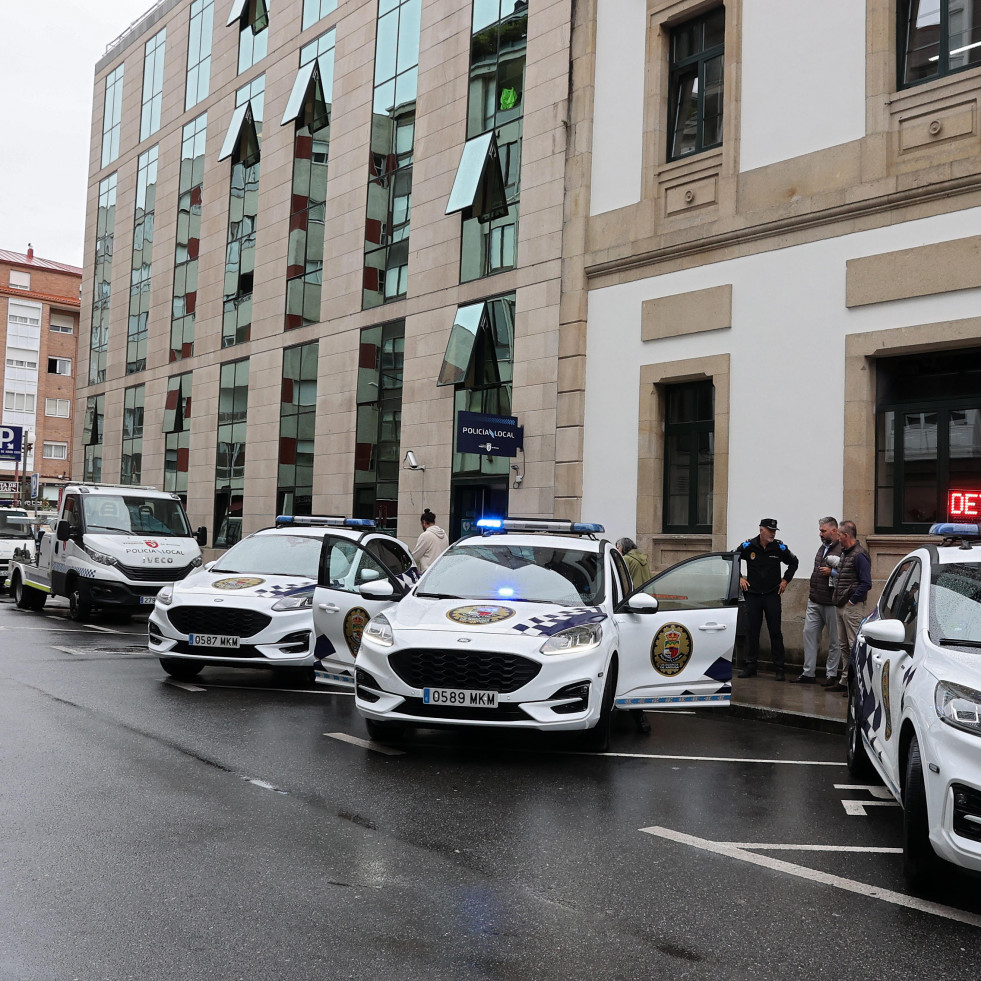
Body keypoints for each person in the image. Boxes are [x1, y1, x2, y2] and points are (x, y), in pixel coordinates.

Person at [735, 518, 799, 681]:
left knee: (775, 632)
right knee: (752, 631)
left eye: (774, 531)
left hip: (772, 595)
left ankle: (779, 668)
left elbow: (794, 562)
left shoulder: (779, 547)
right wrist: (740, 578)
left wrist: (785, 581)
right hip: (754, 595)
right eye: (770, 530)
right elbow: (733, 559)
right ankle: (751, 666)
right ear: (761, 529)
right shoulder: (748, 546)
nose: (773, 533)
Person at [792, 516, 842, 685]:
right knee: (809, 634)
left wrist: (832, 573)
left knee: (835, 640)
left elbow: (849, 574)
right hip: (815, 599)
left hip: (832, 602)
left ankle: (831, 674)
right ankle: (808, 673)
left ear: (834, 530)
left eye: (823, 531)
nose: (820, 534)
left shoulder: (842, 549)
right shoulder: (823, 548)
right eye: (820, 531)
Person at [615, 536, 653, 735]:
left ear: (621, 548)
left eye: (618, 548)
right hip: (644, 604)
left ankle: (637, 715)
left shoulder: (627, 561)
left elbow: (621, 583)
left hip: (629, 607)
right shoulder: (643, 558)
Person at [829, 520, 872, 695]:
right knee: (844, 645)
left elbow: (866, 583)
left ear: (846, 535)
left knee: (854, 645)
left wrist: (852, 601)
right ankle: (845, 679)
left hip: (851, 606)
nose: (837, 537)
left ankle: (857, 683)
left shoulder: (859, 555)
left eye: (839, 534)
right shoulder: (846, 553)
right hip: (841, 604)